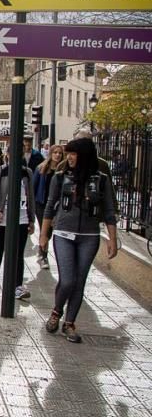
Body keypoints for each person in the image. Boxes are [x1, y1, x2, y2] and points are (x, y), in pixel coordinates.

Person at [40, 138, 118, 343]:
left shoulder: (101, 180)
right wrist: (43, 235)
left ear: (84, 155)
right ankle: (57, 311)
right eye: (68, 153)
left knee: (79, 281)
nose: (69, 157)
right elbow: (50, 206)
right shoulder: (60, 177)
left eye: (74, 154)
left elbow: (109, 211)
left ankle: (70, 322)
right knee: (67, 280)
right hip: (63, 233)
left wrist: (113, 238)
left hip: (89, 237)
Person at [0, 155, 36, 300]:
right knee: (0, 247)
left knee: (19, 252)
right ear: (8, 156)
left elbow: (30, 197)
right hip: (1, 218)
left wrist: (31, 219)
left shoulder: (27, 172)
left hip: (21, 218)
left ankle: (18, 286)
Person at [32, 144, 63, 270]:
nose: (57, 155)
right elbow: (33, 187)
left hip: (57, 206)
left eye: (60, 153)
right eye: (55, 152)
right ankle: (43, 255)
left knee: (50, 230)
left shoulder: (63, 171)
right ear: (50, 154)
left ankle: (41, 252)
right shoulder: (41, 168)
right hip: (42, 204)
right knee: (45, 229)